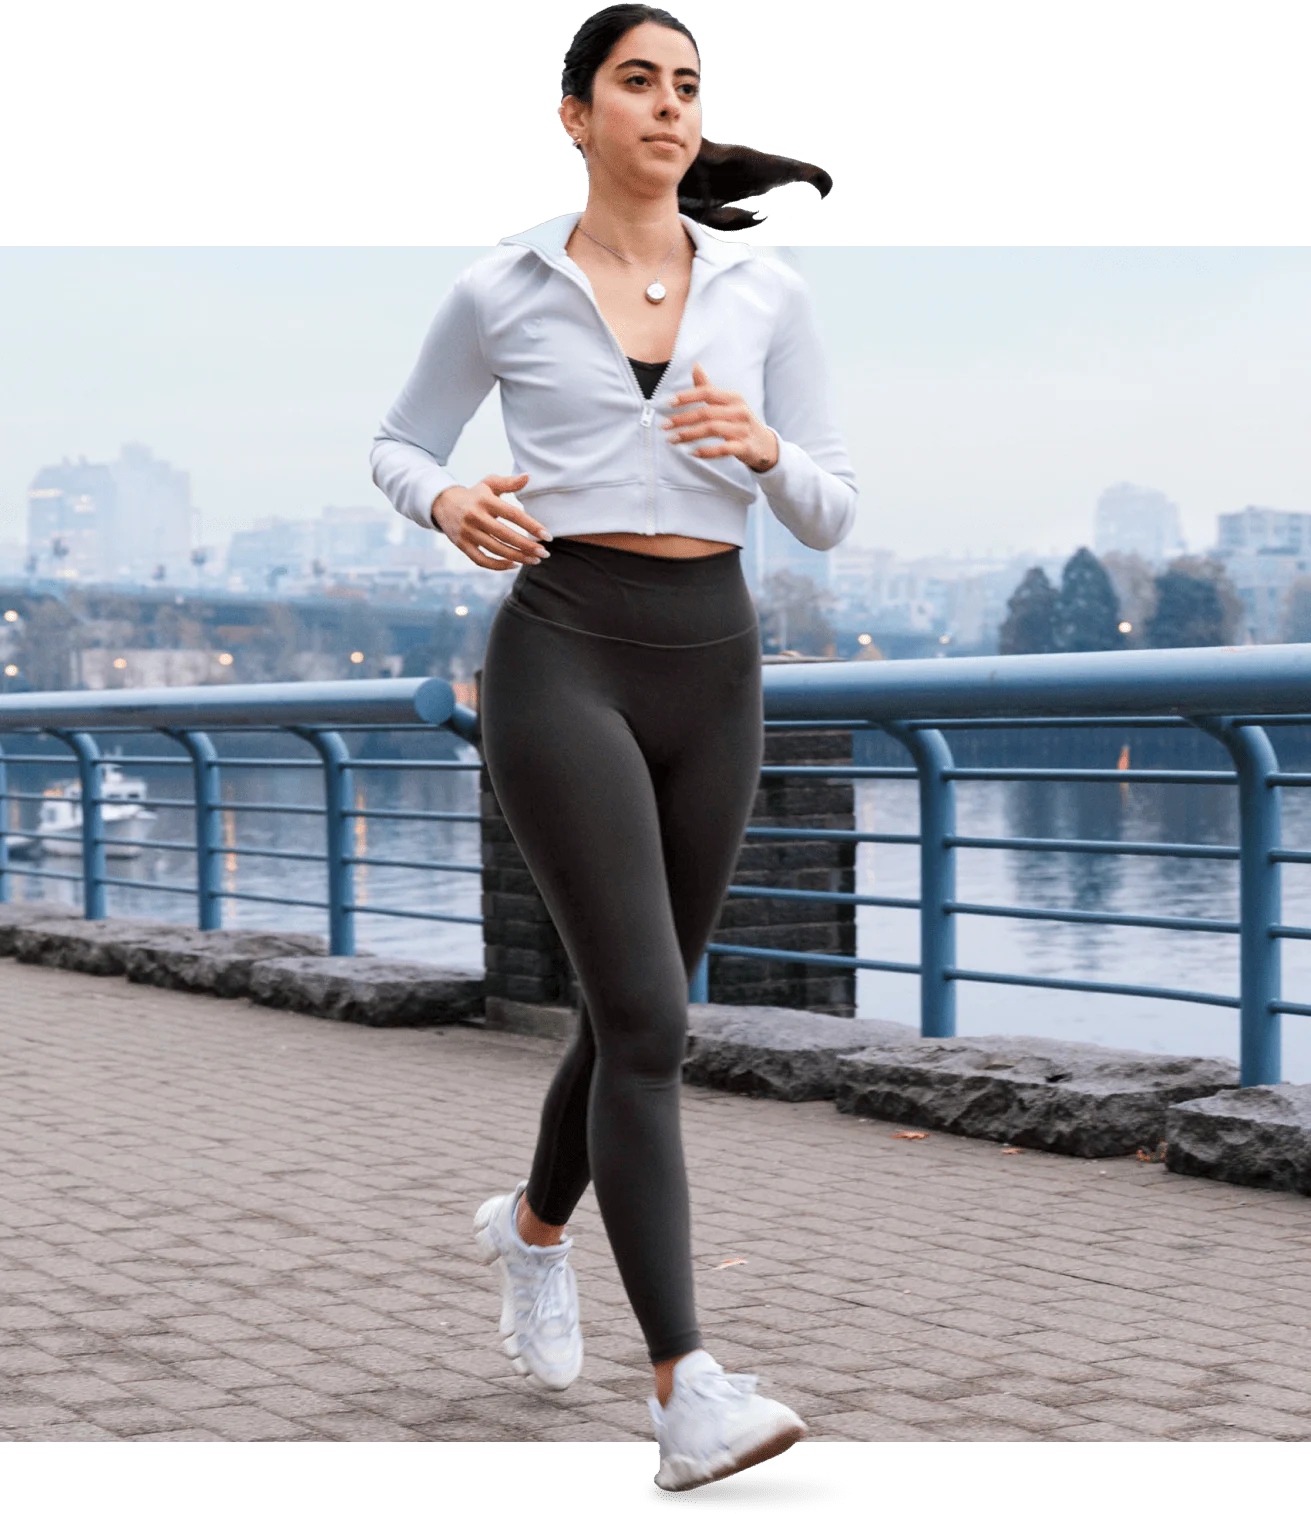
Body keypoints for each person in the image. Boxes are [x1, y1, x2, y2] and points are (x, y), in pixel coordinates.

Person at [370, 6, 856, 1491]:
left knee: (628, 1019)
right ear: (575, 114)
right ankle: (686, 1390)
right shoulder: (501, 288)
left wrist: (767, 454)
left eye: (688, 86)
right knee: (649, 1021)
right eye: (637, 83)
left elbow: (833, 509)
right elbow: (398, 443)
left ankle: (528, 1232)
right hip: (562, 651)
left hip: (714, 665)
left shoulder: (764, 294)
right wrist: (448, 507)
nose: (667, 106)